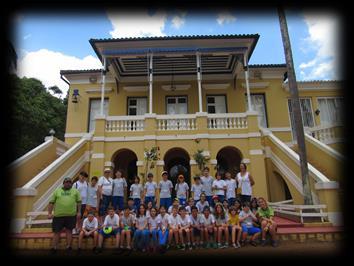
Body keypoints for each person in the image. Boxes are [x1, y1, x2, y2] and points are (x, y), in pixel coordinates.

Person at [48, 177, 81, 254]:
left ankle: (68, 246)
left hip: (71, 216)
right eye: (66, 182)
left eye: (70, 182)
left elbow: (79, 202)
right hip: (58, 216)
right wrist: (49, 213)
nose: (68, 183)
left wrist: (79, 212)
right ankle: (54, 247)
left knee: (69, 231)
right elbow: (51, 203)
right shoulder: (57, 191)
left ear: (71, 184)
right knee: (56, 232)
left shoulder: (75, 191)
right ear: (63, 183)